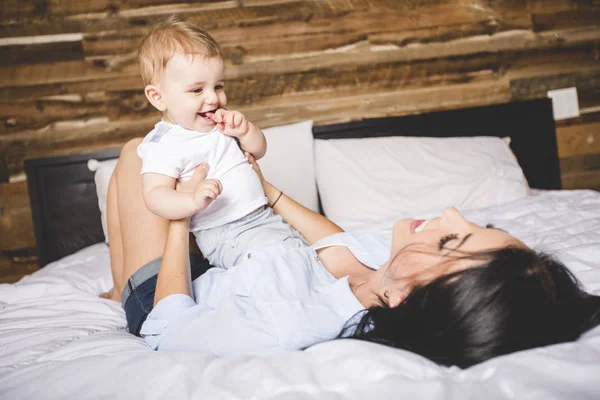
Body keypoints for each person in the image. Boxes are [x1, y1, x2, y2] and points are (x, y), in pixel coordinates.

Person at [106, 138, 600, 368]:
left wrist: (179, 218)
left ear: (412, 297)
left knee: (134, 154)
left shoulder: (291, 323)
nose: (451, 212)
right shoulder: (385, 269)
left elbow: (168, 328)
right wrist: (267, 189)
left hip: (172, 294)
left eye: (452, 241)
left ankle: (119, 288)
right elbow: (333, 243)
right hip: (237, 260)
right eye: (476, 224)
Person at [135, 17, 302, 269]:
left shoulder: (220, 123)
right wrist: (191, 201)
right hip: (226, 233)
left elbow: (259, 150)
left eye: (218, 86)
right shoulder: (163, 143)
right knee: (274, 267)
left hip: (266, 217)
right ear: (158, 97)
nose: (214, 98)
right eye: (197, 90)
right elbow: (154, 196)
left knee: (303, 258)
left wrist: (246, 131)